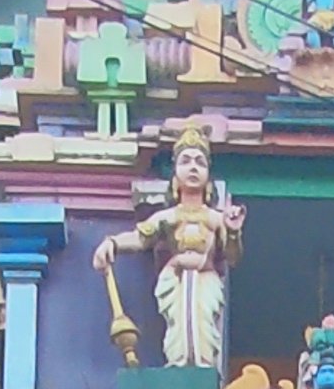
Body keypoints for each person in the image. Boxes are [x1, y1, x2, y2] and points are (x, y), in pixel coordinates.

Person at [93, 125, 244, 369]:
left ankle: (203, 366)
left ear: (208, 176)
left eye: (200, 162)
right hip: (175, 279)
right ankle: (179, 364)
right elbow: (140, 238)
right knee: (179, 325)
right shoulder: (168, 217)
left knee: (202, 321)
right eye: (186, 161)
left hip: (205, 278)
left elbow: (232, 257)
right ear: (175, 176)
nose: (193, 167)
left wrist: (234, 230)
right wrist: (112, 243)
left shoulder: (216, 218)